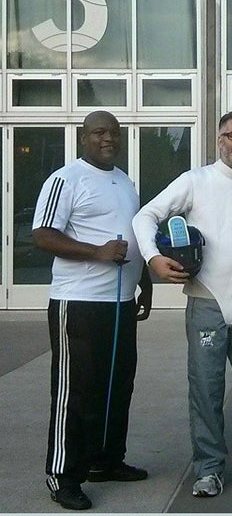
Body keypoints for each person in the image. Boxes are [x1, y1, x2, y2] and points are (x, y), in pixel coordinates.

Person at [131, 107, 232, 498]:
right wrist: (155, 258)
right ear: (219, 139)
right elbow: (145, 216)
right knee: (205, 388)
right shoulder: (195, 180)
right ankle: (208, 469)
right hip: (205, 300)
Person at [32, 110, 153, 511]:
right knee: (77, 393)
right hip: (79, 303)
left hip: (119, 302)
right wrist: (97, 253)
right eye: (99, 131)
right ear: (83, 137)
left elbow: (132, 235)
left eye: (114, 132)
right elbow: (43, 236)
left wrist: (144, 281)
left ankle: (106, 460)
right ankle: (63, 475)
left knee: (118, 386)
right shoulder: (66, 179)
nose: (108, 138)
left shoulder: (124, 181)